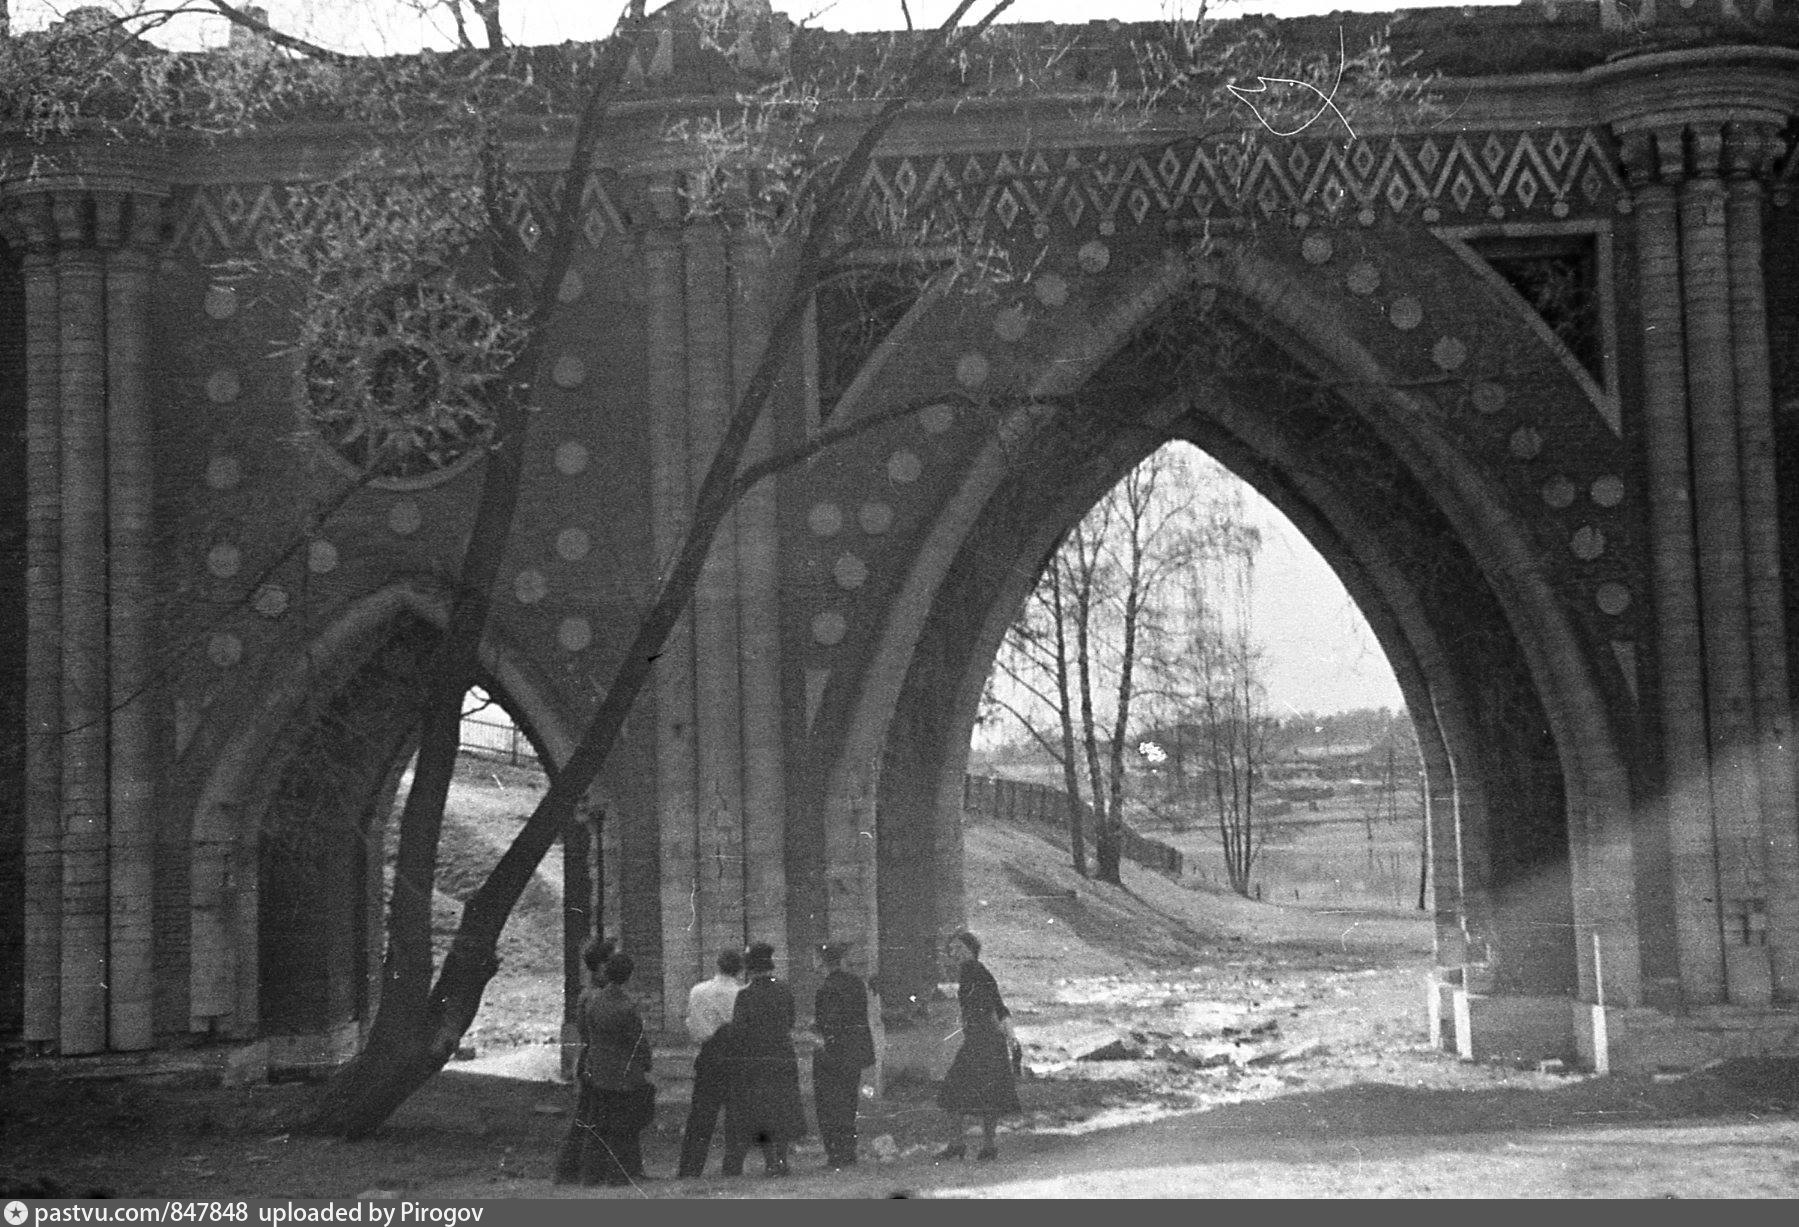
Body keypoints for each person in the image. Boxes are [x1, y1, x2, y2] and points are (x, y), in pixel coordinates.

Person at [555, 941, 655, 1187]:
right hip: (606, 1064)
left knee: (597, 1119)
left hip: (597, 1064)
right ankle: (597, 1170)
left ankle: (592, 1171)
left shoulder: (595, 996)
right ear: (601, 966)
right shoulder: (598, 997)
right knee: (599, 1120)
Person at [723, 941, 808, 1177]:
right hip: (781, 1056)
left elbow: (739, 1031)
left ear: (750, 968)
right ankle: (782, 1159)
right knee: (782, 1107)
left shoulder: (745, 995)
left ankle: (771, 1160)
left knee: (762, 1109)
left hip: (756, 1059)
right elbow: (790, 1021)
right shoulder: (784, 990)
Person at [934, 929, 1021, 1162]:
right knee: (984, 1091)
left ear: (972, 950)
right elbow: (1000, 1006)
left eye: (960, 948)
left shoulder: (973, 971)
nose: (955, 953)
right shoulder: (975, 971)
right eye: (952, 949)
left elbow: (993, 1007)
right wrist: (1008, 1036)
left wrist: (986, 1027)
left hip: (983, 1040)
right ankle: (984, 1145)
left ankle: (959, 1144)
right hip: (986, 1039)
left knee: (954, 1089)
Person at [676, 947, 745, 1178]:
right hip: (734, 1056)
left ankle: (690, 1167)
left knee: (701, 1115)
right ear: (740, 969)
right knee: (735, 1114)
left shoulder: (698, 991)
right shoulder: (742, 993)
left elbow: (694, 1028)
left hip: (709, 1055)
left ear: (717, 965)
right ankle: (732, 1166)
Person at [810, 941, 877, 1170]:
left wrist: (817, 1033)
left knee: (829, 1105)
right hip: (854, 1052)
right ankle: (848, 1152)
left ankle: (835, 1154)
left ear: (822, 960)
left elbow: (828, 1023)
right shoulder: (856, 983)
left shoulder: (826, 988)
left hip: (832, 1053)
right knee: (848, 1103)